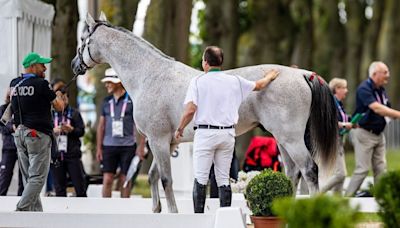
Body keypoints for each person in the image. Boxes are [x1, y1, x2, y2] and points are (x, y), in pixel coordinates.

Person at [175, 46, 279, 213]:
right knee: (223, 179)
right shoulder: (235, 80)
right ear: (221, 62)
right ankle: (224, 219)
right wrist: (270, 76)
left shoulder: (197, 81)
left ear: (205, 63)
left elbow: (190, 110)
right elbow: (259, 86)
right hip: (227, 134)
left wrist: (180, 128)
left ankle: (199, 220)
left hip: (206, 134)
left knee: (201, 179)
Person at [10, 52, 64, 211]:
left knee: (29, 178)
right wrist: (58, 95)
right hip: (37, 135)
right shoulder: (42, 84)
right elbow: (59, 107)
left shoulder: (14, 84)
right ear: (32, 66)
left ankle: (35, 215)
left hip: (19, 134)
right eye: (42, 65)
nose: (45, 68)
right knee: (38, 178)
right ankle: (21, 210)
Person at [345, 61, 400, 196]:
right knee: (362, 169)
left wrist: (392, 115)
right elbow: (377, 108)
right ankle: (346, 199)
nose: (388, 75)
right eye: (385, 72)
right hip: (364, 134)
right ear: (375, 74)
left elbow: (386, 108)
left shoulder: (381, 89)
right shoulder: (364, 88)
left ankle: (380, 199)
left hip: (379, 135)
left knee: (381, 168)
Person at [96, 68, 145, 198]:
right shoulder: (106, 102)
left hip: (128, 146)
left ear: (118, 82)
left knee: (125, 181)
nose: (106, 85)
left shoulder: (132, 100)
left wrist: (141, 146)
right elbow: (101, 126)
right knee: (107, 180)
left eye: (109, 82)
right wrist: (99, 148)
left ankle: (124, 210)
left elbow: (140, 125)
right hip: (108, 146)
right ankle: (106, 211)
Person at [49, 79, 87, 197]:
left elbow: (81, 131)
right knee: (59, 188)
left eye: (65, 98)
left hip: (72, 155)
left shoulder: (74, 113)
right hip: (56, 155)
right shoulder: (50, 113)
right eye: (60, 98)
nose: (63, 101)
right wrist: (53, 131)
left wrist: (71, 130)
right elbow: (45, 131)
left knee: (79, 186)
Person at [320, 78, 352, 194]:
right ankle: (317, 194)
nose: (346, 91)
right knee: (341, 174)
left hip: (340, 140)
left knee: (340, 178)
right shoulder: (331, 103)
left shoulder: (339, 104)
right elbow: (329, 121)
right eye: (344, 88)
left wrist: (353, 122)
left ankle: (336, 204)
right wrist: (344, 125)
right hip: (332, 141)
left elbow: (343, 118)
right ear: (337, 89)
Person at [0, 89, 23, 196]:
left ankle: (22, 199)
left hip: (22, 146)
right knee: (5, 174)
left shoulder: (22, 108)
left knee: (23, 175)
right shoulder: (3, 109)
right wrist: (12, 127)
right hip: (8, 147)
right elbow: (2, 127)